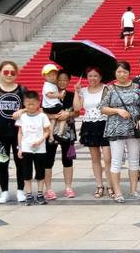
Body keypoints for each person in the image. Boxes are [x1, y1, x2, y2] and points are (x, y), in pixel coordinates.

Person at [100, 61, 140, 203]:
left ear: (129, 73)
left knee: (134, 160)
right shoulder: (109, 89)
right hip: (116, 129)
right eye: (119, 72)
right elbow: (102, 108)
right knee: (116, 161)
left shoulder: (136, 87)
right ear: (115, 73)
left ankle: (134, 190)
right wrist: (117, 110)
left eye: (125, 71)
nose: (122, 74)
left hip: (133, 129)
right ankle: (118, 192)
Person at [0, 61, 27, 204]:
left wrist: (22, 110)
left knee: (21, 162)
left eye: (12, 72)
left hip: (19, 132)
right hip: (0, 132)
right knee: (2, 163)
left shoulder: (22, 90)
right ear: (0, 73)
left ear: (16, 74)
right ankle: (4, 192)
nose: (9, 75)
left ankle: (21, 190)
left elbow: (32, 107)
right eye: (6, 72)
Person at [74, 67, 112, 199]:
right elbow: (77, 108)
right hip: (89, 125)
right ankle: (99, 186)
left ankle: (110, 185)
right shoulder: (83, 91)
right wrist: (77, 92)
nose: (93, 78)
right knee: (95, 158)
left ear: (100, 77)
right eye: (90, 76)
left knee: (108, 158)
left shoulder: (107, 89)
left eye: (96, 76)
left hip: (105, 124)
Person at [41, 70, 76, 199]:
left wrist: (69, 114)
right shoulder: (49, 94)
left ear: (68, 81)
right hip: (50, 131)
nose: (62, 82)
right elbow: (41, 111)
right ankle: (48, 189)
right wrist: (53, 116)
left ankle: (68, 187)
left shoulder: (71, 95)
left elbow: (77, 112)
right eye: (59, 79)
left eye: (65, 80)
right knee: (48, 160)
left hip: (68, 131)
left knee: (67, 160)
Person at [16, 91, 50, 205]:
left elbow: (47, 131)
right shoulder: (22, 117)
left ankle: (40, 194)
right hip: (26, 148)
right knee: (27, 173)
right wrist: (20, 148)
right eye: (28, 104)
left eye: (33, 104)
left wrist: (40, 141)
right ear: (24, 103)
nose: (30, 106)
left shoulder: (42, 116)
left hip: (40, 149)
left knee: (40, 172)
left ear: (38, 103)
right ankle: (29, 194)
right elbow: (20, 133)